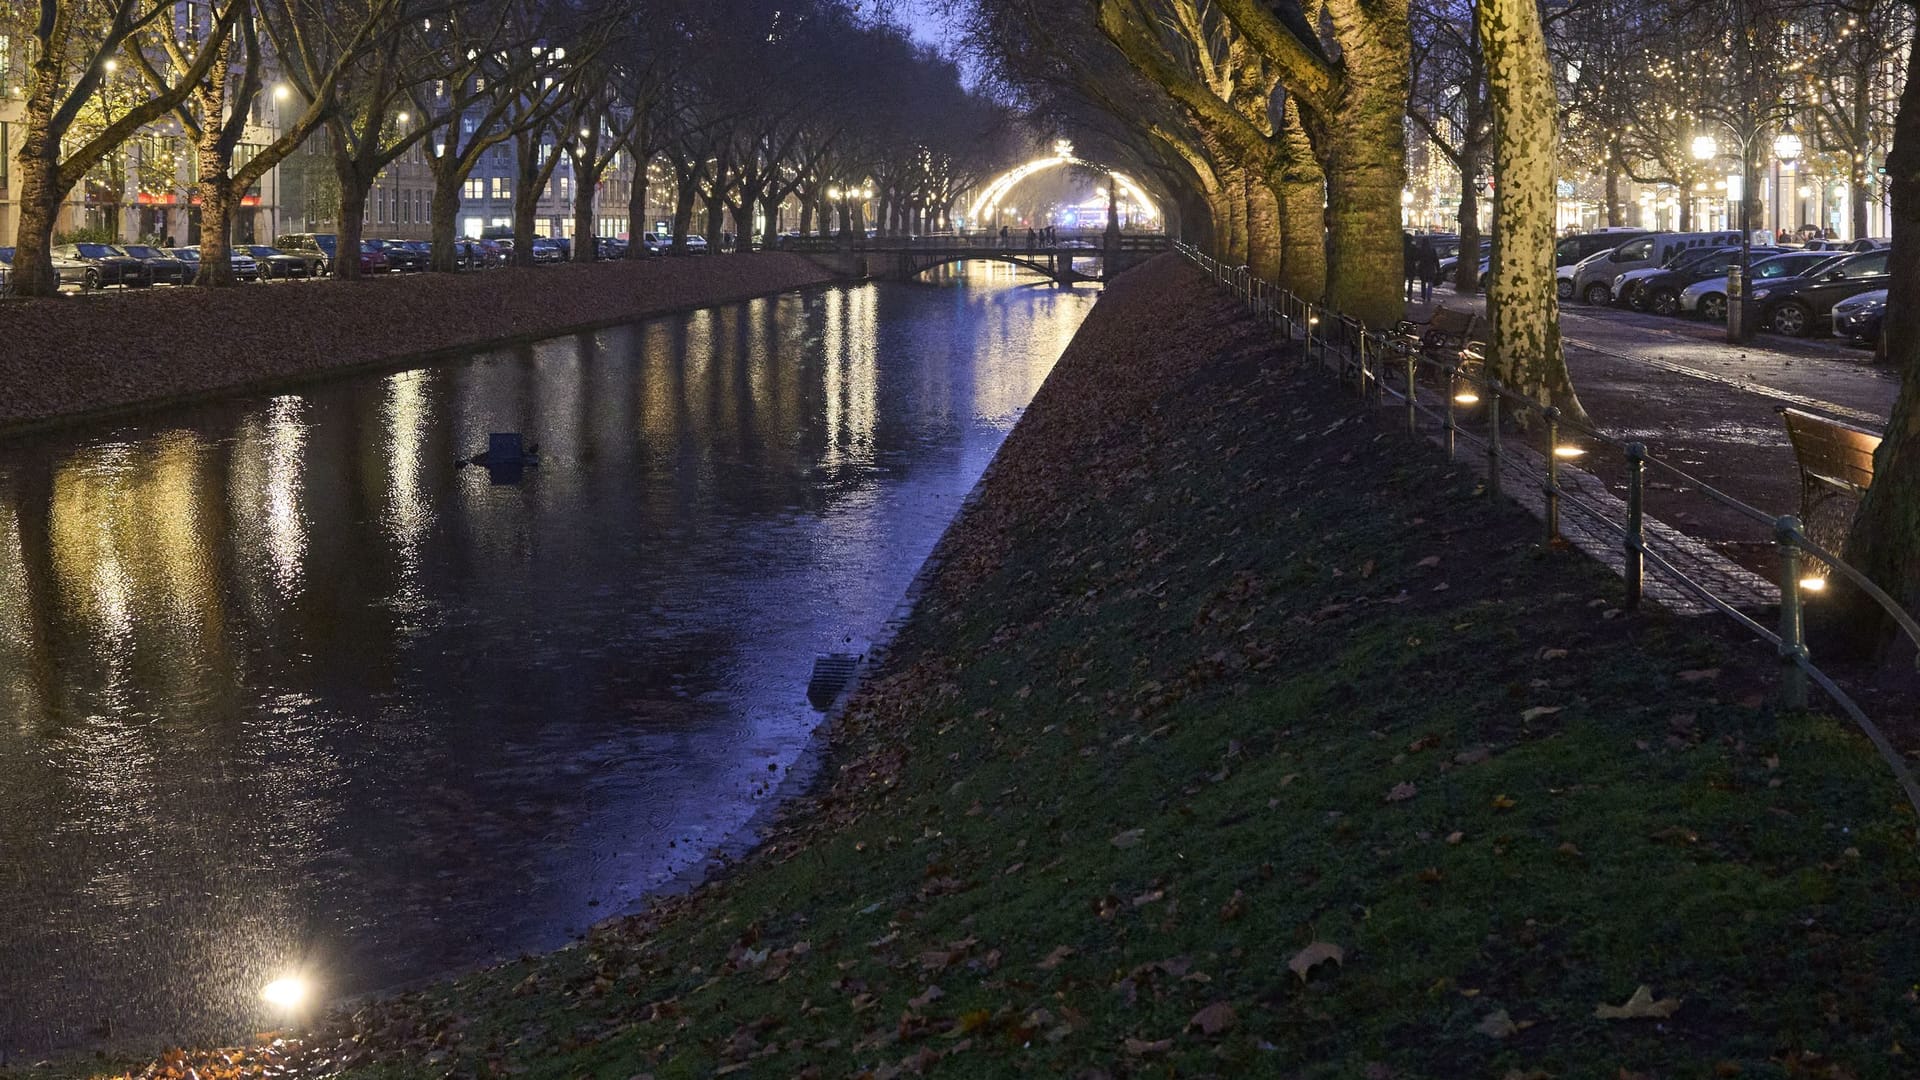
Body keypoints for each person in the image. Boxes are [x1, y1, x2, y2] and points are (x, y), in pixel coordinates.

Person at [1416, 237, 1441, 302]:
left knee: (1423, 282)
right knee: (1430, 282)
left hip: (1423, 268)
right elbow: (1436, 260)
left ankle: (1423, 295)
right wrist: (1438, 269)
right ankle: (1429, 296)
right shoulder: (1432, 250)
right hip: (1431, 268)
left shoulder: (1420, 250)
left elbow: (1417, 259)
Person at [1403, 232, 1419, 302]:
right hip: (1411, 265)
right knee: (1410, 281)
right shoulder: (1413, 247)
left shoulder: (1402, 247)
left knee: (1402, 280)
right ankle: (1409, 294)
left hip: (1403, 265)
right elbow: (1417, 256)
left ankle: (1402, 293)